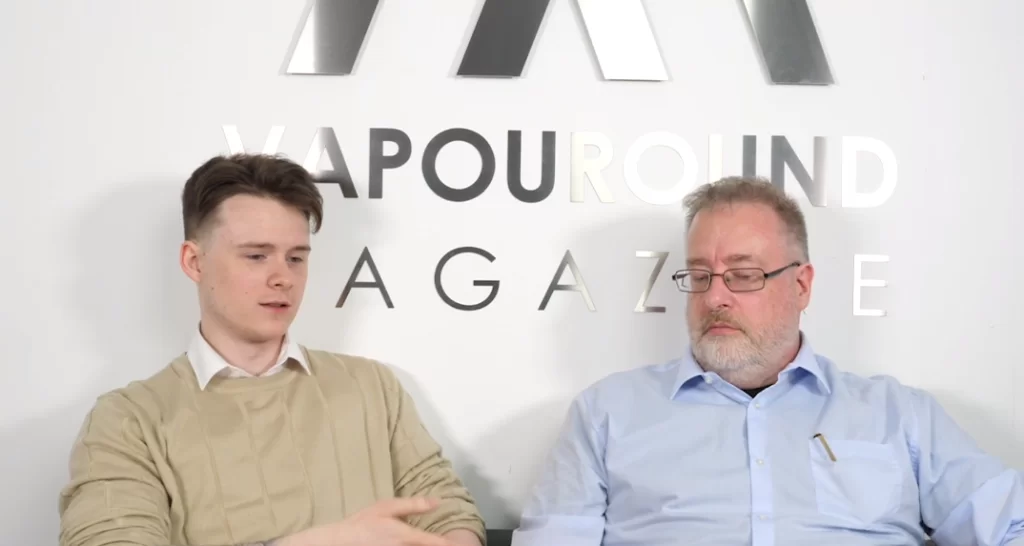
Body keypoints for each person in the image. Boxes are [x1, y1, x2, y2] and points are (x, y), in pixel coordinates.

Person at [510, 176, 1024, 545]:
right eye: (701, 276)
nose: (715, 298)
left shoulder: (898, 415)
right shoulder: (607, 414)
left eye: (744, 275)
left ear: (800, 285)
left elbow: (1011, 525)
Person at [58, 153, 486, 546]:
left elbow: (446, 509)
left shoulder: (371, 387)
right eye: (257, 257)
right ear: (194, 262)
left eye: (296, 258)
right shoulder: (127, 422)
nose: (283, 278)